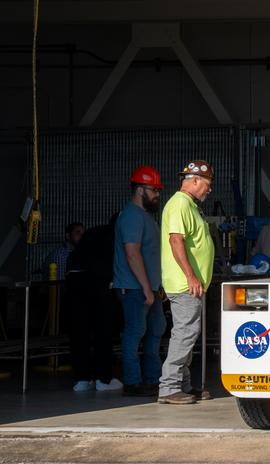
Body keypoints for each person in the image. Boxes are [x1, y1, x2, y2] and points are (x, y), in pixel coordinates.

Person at [158, 159, 216, 405]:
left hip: (191, 285)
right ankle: (169, 387)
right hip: (185, 285)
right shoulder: (180, 204)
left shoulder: (189, 205)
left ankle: (183, 385)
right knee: (185, 333)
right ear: (194, 180)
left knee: (189, 334)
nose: (209, 189)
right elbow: (176, 241)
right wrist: (191, 276)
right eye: (207, 184)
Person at [112, 165, 166, 397]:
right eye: (153, 189)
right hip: (135, 289)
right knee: (135, 333)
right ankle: (133, 383)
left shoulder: (144, 217)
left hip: (147, 289)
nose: (157, 195)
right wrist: (147, 288)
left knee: (155, 330)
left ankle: (152, 379)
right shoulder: (132, 217)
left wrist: (156, 286)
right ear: (140, 190)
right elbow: (132, 253)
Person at [66, 219, 121, 392]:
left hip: (75, 285)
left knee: (79, 334)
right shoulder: (111, 237)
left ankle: (82, 379)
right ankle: (103, 378)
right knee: (102, 333)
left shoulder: (92, 235)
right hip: (99, 286)